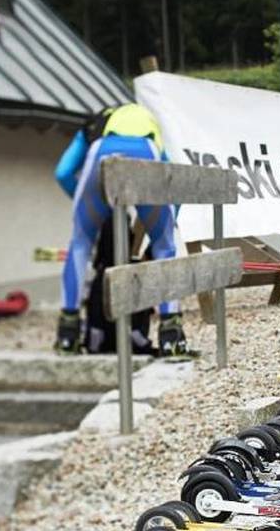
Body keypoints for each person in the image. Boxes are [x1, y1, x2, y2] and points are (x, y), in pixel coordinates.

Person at [53, 103, 189, 356]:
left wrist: (94, 211)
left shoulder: (92, 125)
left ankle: (67, 333)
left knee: (80, 243)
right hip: (146, 152)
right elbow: (174, 185)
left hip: (100, 154)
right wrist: (163, 231)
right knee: (165, 247)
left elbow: (63, 173)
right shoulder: (149, 123)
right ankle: (171, 334)